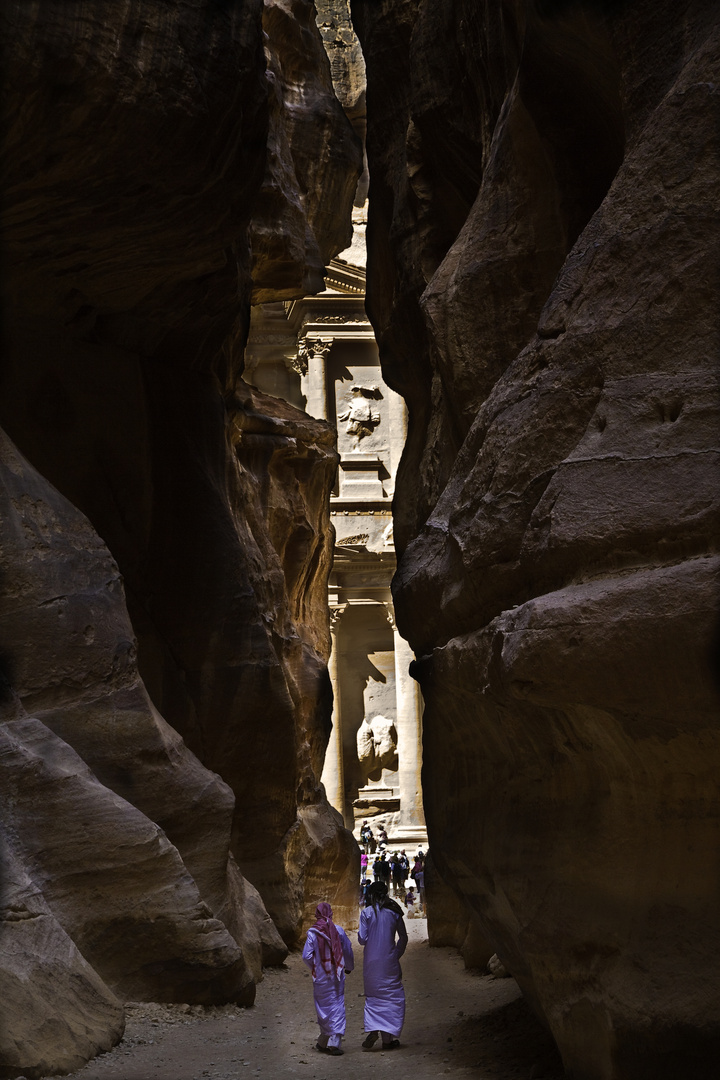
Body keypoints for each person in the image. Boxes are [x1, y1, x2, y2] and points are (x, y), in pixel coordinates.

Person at [357, 881, 408, 1051]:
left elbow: (362, 939)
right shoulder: (394, 913)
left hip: (371, 962)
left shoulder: (367, 913)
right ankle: (387, 1041)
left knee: (374, 997)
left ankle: (373, 1029)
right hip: (389, 961)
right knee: (392, 997)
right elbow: (403, 937)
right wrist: (396, 954)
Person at [302, 902, 354, 1056]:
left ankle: (322, 1041)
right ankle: (334, 1044)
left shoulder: (312, 933)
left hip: (320, 977)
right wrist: (349, 966)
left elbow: (306, 956)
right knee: (336, 1005)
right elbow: (347, 950)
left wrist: (316, 966)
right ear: (331, 913)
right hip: (336, 975)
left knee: (323, 1008)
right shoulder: (337, 930)